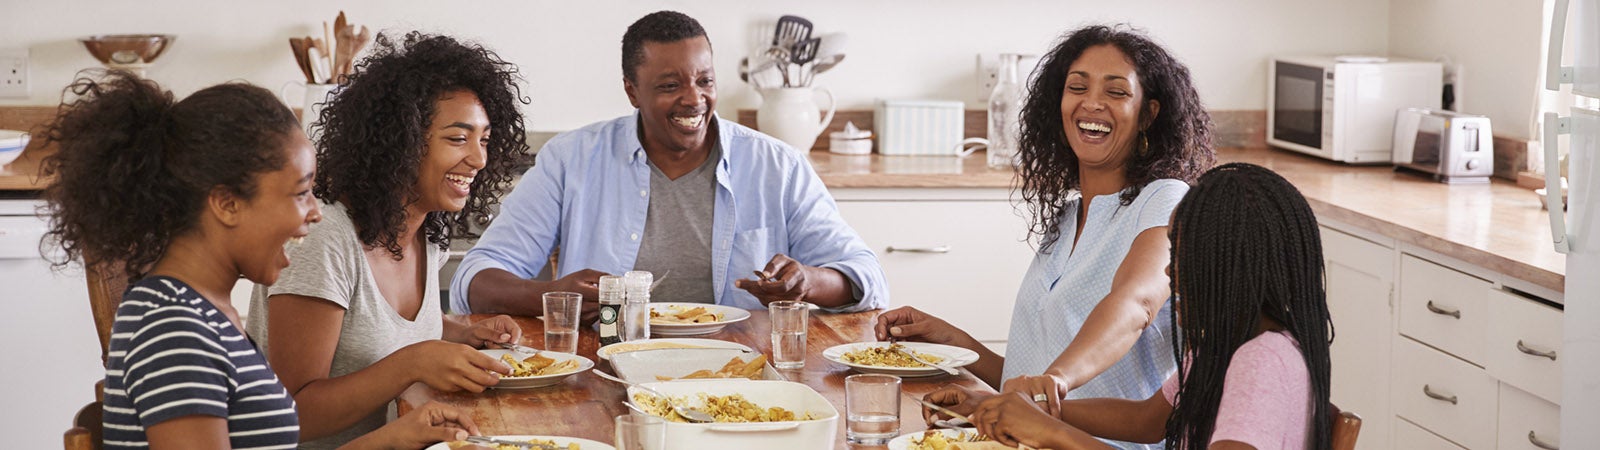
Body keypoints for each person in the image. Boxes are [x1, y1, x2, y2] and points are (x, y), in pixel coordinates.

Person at [40, 72, 478, 449]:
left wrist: (390, 439)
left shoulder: (209, 310)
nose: (315, 213)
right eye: (299, 193)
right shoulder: (175, 329)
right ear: (227, 204)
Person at [874, 24, 1215, 448]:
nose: (1092, 103)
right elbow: (1034, 382)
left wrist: (1053, 380)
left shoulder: (1165, 200)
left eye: (1116, 92)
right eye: (1077, 87)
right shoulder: (1067, 219)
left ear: (1148, 114)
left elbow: (1137, 303)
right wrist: (955, 343)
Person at [450, 10, 887, 316]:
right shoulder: (571, 159)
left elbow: (867, 278)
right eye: (670, 85)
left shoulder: (777, 165)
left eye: (705, 80)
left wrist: (807, 282)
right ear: (632, 91)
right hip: (608, 369)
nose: (694, 99)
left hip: (744, 373)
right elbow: (474, 281)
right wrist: (550, 295)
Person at [245, 32, 530, 449]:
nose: (479, 159)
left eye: (484, 139)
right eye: (458, 138)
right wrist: (415, 362)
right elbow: (292, 413)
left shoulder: (426, 228)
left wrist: (459, 334)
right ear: (401, 141)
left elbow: (371, 330)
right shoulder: (324, 238)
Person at [949, 163, 1334, 450]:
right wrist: (1013, 406)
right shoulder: (1227, 346)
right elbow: (1147, 419)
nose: (1170, 271)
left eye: (1184, 258)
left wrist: (1052, 432)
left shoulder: (1262, 362)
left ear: (1232, 270)